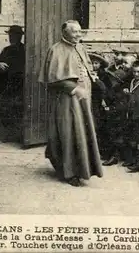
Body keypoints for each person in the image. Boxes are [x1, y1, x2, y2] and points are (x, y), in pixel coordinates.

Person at [38, 20, 103, 187]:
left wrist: (91, 75)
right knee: (68, 134)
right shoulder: (56, 49)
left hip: (83, 100)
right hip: (67, 100)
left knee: (82, 133)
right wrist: (74, 89)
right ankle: (68, 172)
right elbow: (53, 80)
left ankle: (82, 169)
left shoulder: (80, 47)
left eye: (80, 32)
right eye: (75, 32)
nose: (79, 35)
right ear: (65, 33)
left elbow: (86, 65)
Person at [0, 25, 25, 141]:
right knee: (5, 109)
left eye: (14, 35)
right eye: (10, 35)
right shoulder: (6, 50)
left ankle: (18, 135)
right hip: (6, 84)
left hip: (20, 84)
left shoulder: (25, 50)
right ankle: (8, 134)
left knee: (18, 109)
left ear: (20, 36)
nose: (11, 37)